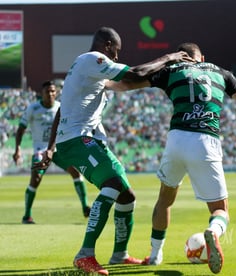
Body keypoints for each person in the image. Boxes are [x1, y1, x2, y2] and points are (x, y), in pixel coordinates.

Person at [33, 26, 193, 275]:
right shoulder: (93, 60)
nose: (116, 57)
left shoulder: (87, 70)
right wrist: (168, 58)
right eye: (116, 51)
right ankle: (84, 254)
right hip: (77, 140)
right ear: (107, 45)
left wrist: (165, 78)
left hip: (85, 140)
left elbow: (130, 83)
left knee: (127, 195)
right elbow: (135, 72)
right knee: (112, 184)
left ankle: (119, 254)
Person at [142, 42, 236, 274]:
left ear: (182, 57)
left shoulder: (173, 70)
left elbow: (134, 79)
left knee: (164, 200)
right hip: (205, 141)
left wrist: (106, 83)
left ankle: (156, 255)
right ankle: (214, 232)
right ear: (202, 57)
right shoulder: (222, 73)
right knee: (220, 209)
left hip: (176, 139)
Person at [13, 80, 90, 224]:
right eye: (47, 91)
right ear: (41, 94)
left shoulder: (61, 108)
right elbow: (21, 129)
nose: (50, 94)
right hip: (40, 149)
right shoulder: (33, 108)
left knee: (76, 171)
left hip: (58, 148)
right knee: (36, 179)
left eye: (53, 91)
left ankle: (85, 207)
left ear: (56, 93)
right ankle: (27, 215)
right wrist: (17, 148)